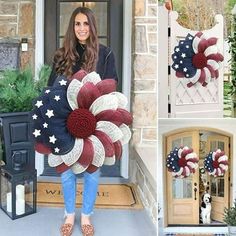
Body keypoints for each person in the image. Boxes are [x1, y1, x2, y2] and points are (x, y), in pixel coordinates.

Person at [47, 7, 118, 236]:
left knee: (92, 169)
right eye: (77, 24)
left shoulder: (105, 54)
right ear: (72, 27)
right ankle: (69, 214)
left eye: (86, 24)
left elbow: (111, 87)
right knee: (66, 169)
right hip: (65, 121)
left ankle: (86, 215)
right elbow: (51, 89)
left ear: (92, 26)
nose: (81, 28)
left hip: (94, 122)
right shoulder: (61, 55)